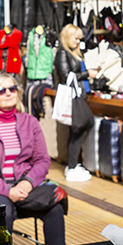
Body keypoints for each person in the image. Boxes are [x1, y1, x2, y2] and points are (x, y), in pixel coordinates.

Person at [0, 74, 66, 245]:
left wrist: (28, 182)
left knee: (55, 208)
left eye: (12, 89)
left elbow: (42, 160)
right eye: (1, 90)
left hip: (23, 187)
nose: (8, 93)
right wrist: (8, 191)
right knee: (3, 209)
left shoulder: (30, 122)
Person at [53, 23, 91, 181]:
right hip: (72, 96)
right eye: (76, 38)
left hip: (78, 94)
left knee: (77, 129)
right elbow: (66, 76)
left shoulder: (71, 53)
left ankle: (73, 165)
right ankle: (72, 166)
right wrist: (88, 74)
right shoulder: (62, 53)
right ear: (67, 37)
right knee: (81, 125)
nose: (78, 42)